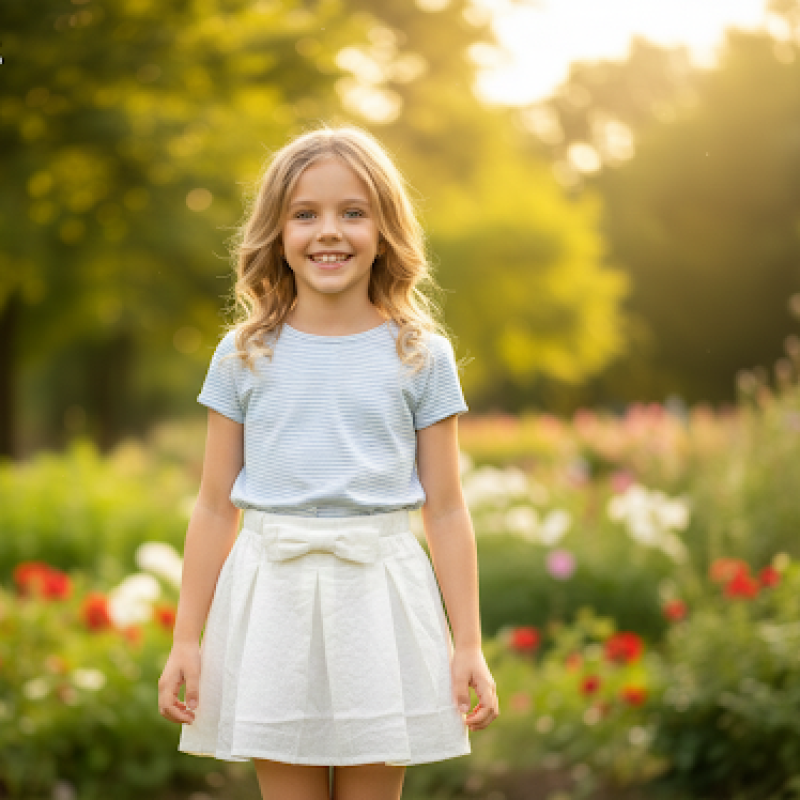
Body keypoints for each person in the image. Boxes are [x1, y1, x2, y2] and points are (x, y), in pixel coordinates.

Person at [157, 123, 499, 800]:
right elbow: (214, 505)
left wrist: (468, 644)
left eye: (353, 213)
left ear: (385, 230)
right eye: (305, 214)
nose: (329, 232)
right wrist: (186, 639)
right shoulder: (244, 352)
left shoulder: (419, 355)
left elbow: (449, 507)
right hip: (272, 596)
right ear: (277, 234)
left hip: (380, 595)